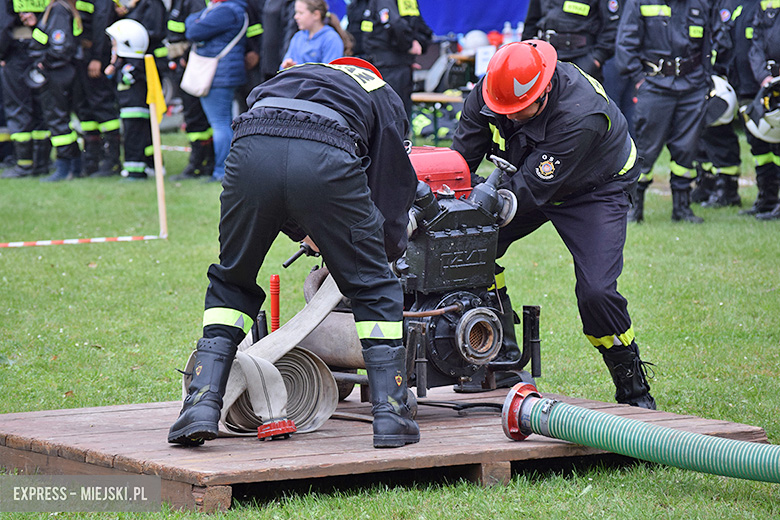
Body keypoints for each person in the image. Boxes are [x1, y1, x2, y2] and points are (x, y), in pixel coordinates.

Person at [168, 58, 420, 448]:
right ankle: (391, 415)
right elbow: (389, 186)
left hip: (250, 150)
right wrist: (377, 249)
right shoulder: (381, 92)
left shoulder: (293, 75)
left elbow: (279, 164)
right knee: (374, 288)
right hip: (324, 156)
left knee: (232, 279)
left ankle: (200, 404)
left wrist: (305, 228)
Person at [451, 40, 656, 410]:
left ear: (544, 91)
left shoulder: (581, 115)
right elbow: (459, 163)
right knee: (468, 248)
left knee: (597, 293)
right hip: (529, 175)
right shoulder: (492, 91)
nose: (511, 117)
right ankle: (501, 362)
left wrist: (481, 203)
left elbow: (527, 190)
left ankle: (633, 389)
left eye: (520, 111)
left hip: (595, 188)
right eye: (503, 111)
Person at [616, 0, 714, 224]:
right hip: (655, 85)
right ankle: (634, 207)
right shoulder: (640, 2)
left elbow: (708, 45)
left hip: (693, 86)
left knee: (686, 149)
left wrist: (706, 80)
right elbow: (625, 44)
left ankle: (682, 208)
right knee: (646, 148)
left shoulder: (698, 4)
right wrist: (639, 80)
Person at [185, 0, 248, 182]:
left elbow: (193, 31)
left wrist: (198, 20)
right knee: (224, 123)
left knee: (220, 124)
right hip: (224, 73)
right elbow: (192, 22)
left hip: (218, 75)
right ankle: (227, 169)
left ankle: (222, 171)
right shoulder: (232, 9)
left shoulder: (226, 11)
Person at [29, 0, 84, 182]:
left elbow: (60, 45)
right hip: (61, 71)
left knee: (57, 119)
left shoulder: (59, 9)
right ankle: (75, 166)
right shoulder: (59, 9)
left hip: (56, 72)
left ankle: (64, 168)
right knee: (62, 120)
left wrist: (44, 62)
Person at [0, 0, 51, 179]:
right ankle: (42, 163)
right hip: (41, 47)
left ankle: (24, 164)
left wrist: (1, 53)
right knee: (40, 106)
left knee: (18, 106)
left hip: (16, 50)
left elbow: (4, 23)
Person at [166, 0, 216, 180]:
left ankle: (199, 163)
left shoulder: (194, 2)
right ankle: (204, 162)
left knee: (195, 116)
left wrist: (186, 57)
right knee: (194, 115)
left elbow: (198, 30)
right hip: (182, 62)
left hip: (191, 62)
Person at [361, 0, 432, 121]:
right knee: (398, 113)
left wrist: (409, 46)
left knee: (391, 114)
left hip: (389, 66)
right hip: (396, 63)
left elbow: (395, 23)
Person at [74, 0, 121, 177]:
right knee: (85, 108)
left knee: (102, 106)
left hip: (95, 57)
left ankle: (112, 159)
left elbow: (102, 25)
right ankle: (91, 159)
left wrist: (97, 58)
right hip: (81, 56)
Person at [521, 0, 621, 83]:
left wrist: (596, 59)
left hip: (581, 59)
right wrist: (527, 55)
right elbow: (531, 24)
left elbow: (612, 28)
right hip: (546, 59)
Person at [746, 0, 780, 220]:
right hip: (770, 83)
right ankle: (769, 199)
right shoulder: (766, 3)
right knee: (768, 143)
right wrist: (764, 77)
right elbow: (756, 42)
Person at [279, 0, 351, 69]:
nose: (296, 17)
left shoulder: (331, 39)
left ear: (316, 15)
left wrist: (300, 71)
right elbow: (282, 67)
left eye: (301, 13)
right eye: (296, 12)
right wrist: (286, 67)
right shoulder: (298, 36)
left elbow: (329, 73)